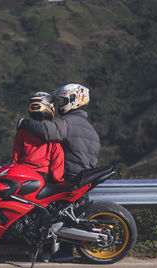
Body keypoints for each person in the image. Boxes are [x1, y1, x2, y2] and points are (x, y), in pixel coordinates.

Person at [19, 83, 100, 262]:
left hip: (69, 176)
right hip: (83, 176)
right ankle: (60, 252)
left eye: (64, 99)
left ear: (74, 100)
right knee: (67, 215)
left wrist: (25, 123)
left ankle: (63, 253)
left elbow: (47, 132)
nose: (61, 103)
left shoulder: (68, 122)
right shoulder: (89, 127)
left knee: (53, 214)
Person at [12, 91, 64, 183]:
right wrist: (58, 180)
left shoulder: (23, 131)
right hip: (43, 177)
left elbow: (15, 157)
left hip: (23, 174)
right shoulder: (52, 133)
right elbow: (57, 160)